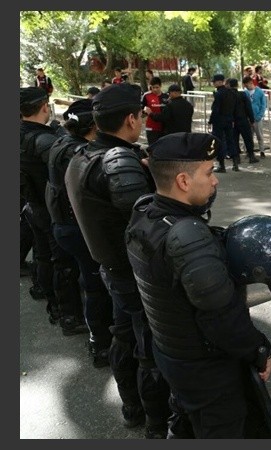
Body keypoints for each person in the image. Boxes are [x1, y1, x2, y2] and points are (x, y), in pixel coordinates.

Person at [125, 132, 271, 438]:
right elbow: (221, 317)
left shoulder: (145, 213)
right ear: (183, 181)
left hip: (171, 352)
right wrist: (259, 348)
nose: (215, 180)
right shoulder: (187, 236)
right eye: (208, 173)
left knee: (187, 418)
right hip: (204, 368)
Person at [63, 83, 173, 438]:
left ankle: (132, 406)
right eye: (141, 115)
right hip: (132, 272)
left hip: (110, 266)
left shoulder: (81, 154)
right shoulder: (118, 162)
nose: (142, 120)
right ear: (130, 118)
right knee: (148, 349)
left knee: (123, 336)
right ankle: (155, 423)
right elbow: (148, 224)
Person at [47, 99, 113, 367]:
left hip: (62, 223)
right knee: (94, 285)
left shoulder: (60, 143)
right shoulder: (79, 153)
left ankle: (93, 332)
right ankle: (100, 343)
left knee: (86, 280)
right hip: (74, 227)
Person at [20, 86, 85, 333]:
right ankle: (67, 314)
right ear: (44, 107)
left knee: (43, 253)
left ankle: (45, 292)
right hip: (48, 208)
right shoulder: (42, 139)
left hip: (32, 204)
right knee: (63, 263)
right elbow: (66, 168)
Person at [209, 74, 238, 173]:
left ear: (219, 82)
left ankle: (222, 165)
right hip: (229, 119)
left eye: (214, 82)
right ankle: (235, 162)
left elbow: (216, 109)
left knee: (218, 141)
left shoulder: (219, 94)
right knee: (231, 140)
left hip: (219, 121)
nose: (213, 83)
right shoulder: (231, 93)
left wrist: (211, 120)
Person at [227, 78, 258, 164]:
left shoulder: (227, 96)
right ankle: (251, 156)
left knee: (234, 139)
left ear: (229, 85)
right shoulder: (243, 94)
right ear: (237, 85)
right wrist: (251, 120)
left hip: (232, 121)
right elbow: (248, 108)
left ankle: (236, 158)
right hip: (243, 119)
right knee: (247, 138)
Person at [243, 75, 267, 158]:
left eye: (247, 85)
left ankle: (262, 151)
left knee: (259, 135)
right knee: (249, 135)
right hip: (248, 118)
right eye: (245, 86)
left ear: (251, 83)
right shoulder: (245, 92)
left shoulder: (259, 92)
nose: (246, 87)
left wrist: (260, 115)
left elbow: (263, 105)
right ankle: (249, 151)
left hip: (257, 117)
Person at [141, 76, 168, 145]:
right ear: (150, 87)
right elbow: (141, 109)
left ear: (160, 86)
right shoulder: (146, 96)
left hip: (164, 128)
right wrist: (144, 111)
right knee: (152, 148)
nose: (155, 89)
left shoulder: (166, 96)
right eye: (153, 87)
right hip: (151, 127)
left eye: (157, 87)